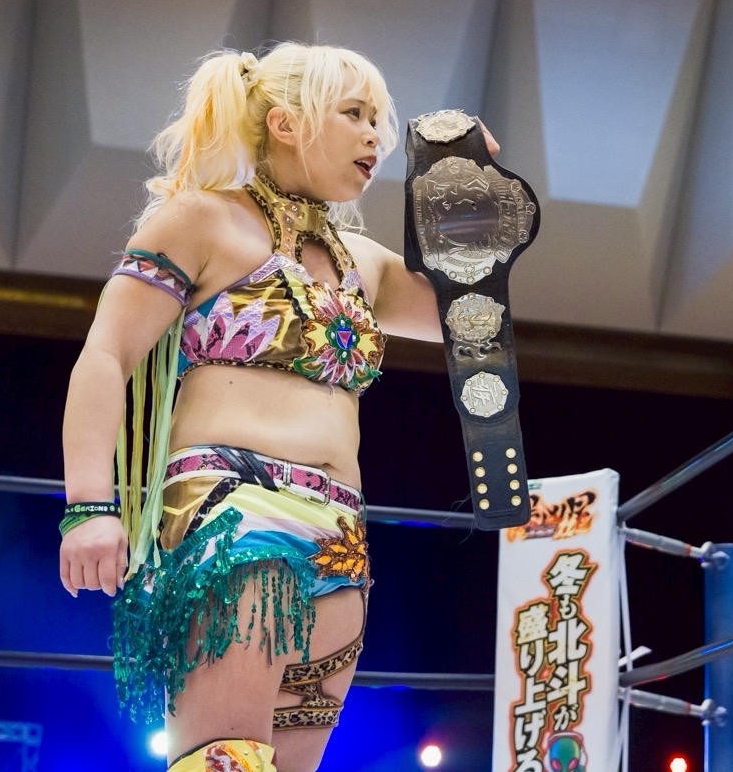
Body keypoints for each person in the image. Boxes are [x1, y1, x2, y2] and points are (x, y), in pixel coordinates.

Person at [57, 43, 498, 772]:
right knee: (225, 761)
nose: (375, 137)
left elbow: (473, 316)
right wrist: (88, 504)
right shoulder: (201, 220)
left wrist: (466, 188)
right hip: (236, 508)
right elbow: (106, 354)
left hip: (341, 532)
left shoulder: (364, 261)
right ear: (286, 123)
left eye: (379, 120)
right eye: (354, 114)